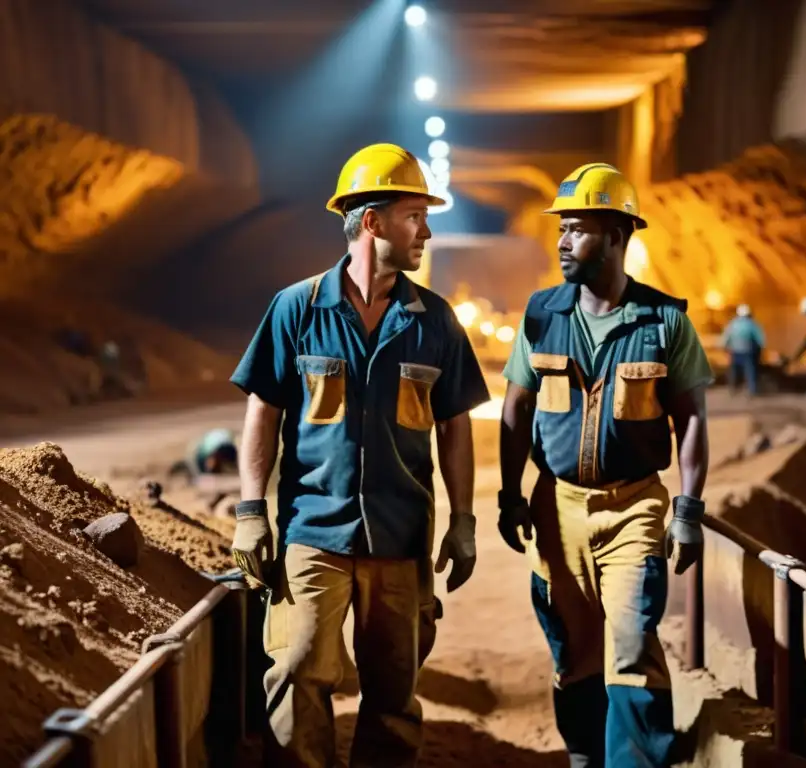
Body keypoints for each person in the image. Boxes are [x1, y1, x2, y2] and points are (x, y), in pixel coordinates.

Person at [228, 143, 491, 768]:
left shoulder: (437, 322)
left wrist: (462, 521)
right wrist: (249, 510)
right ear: (370, 222)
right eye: (413, 216)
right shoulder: (297, 308)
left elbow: (457, 428)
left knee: (393, 695)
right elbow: (262, 412)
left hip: (399, 538)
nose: (426, 231)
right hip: (313, 529)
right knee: (297, 675)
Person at [498, 162, 714, 767]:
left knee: (631, 643)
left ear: (617, 235)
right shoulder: (542, 316)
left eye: (576, 229)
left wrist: (689, 510)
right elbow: (516, 409)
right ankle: (585, 758)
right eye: (561, 229)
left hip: (635, 505)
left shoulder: (664, 322)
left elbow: (691, 419)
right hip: (558, 505)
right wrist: (510, 495)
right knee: (574, 654)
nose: (562, 242)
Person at [720, 304, 765, 396]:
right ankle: (752, 390)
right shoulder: (752, 324)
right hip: (748, 351)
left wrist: (724, 347)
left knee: (734, 371)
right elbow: (759, 338)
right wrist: (761, 349)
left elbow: (726, 337)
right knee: (750, 370)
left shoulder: (732, 324)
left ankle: (733, 389)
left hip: (735, 351)